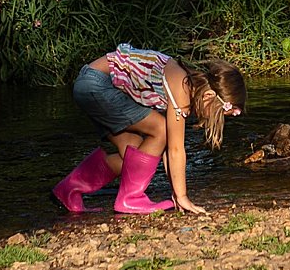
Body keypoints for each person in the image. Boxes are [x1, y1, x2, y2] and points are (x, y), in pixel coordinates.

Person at [51, 44, 247, 216]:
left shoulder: (185, 86)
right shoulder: (181, 87)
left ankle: (69, 189)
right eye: (219, 113)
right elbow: (176, 149)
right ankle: (131, 198)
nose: (216, 118)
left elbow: (169, 152)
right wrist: (182, 196)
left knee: (135, 152)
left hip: (93, 86)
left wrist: (176, 193)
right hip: (97, 84)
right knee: (160, 128)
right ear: (209, 96)